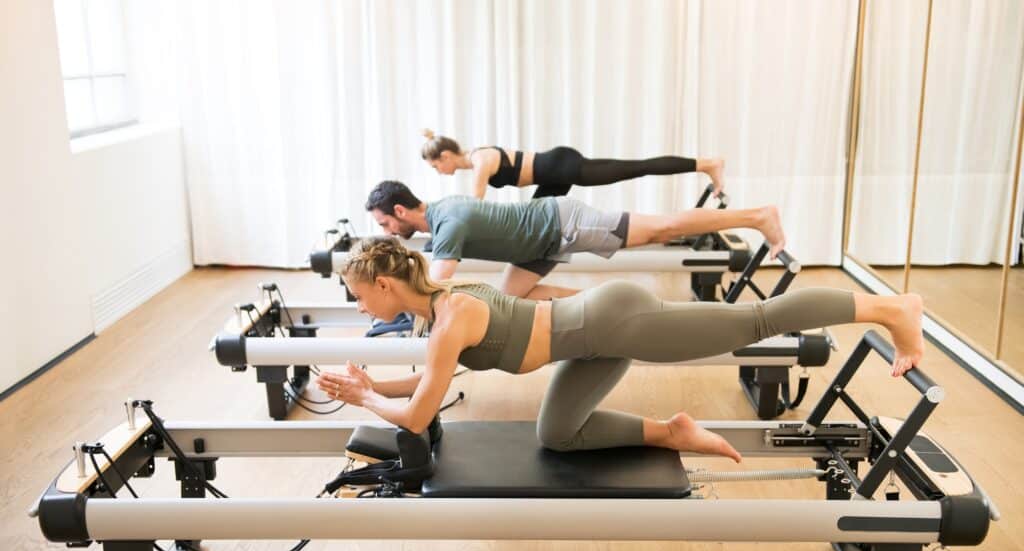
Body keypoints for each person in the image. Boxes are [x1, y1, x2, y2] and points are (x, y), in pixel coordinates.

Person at [316, 238, 925, 462]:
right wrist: (365, 391)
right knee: (557, 433)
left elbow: (419, 416)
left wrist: (367, 395)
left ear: (385, 284)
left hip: (615, 322)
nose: (363, 308)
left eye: (361, 297)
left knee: (754, 321)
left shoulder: (449, 317)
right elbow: (425, 389)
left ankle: (890, 307)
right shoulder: (439, 308)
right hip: (591, 342)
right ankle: (673, 431)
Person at [365, 180, 785, 300]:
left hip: (559, 224)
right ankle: (611, 307)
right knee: (512, 299)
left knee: (663, 228)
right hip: (535, 247)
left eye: (385, 224)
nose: (387, 232)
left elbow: (438, 284)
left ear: (401, 212)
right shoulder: (441, 215)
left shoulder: (447, 222)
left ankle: (756, 215)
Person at [420, 129, 726, 200]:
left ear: (445, 156)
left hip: (560, 167)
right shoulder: (477, 159)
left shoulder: (479, 159)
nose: (440, 172)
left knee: (637, 167)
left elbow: (476, 204)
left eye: (436, 166)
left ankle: (708, 163)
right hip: (552, 176)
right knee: (538, 222)